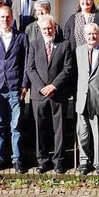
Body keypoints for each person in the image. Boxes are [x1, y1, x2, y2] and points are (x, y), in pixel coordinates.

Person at [0, 6, 30, 174]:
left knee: (16, 126)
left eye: (8, 17)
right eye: (2, 17)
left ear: (12, 18)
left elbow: (26, 62)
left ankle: (17, 159)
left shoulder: (22, 37)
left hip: (15, 87)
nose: (5, 20)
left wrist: (25, 84)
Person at [26, 15, 74, 174]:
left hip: (58, 94)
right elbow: (30, 69)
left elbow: (68, 69)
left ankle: (59, 161)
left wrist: (53, 86)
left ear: (54, 28)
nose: (47, 30)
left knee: (59, 129)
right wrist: (42, 87)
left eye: (50, 28)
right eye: (44, 28)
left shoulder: (64, 45)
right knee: (40, 129)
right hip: (39, 95)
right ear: (40, 29)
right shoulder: (34, 45)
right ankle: (42, 161)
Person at [75, 23, 99, 176]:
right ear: (84, 36)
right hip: (82, 99)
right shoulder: (79, 51)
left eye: (94, 33)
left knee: (98, 134)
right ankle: (84, 162)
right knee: (83, 133)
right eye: (89, 34)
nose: (92, 37)